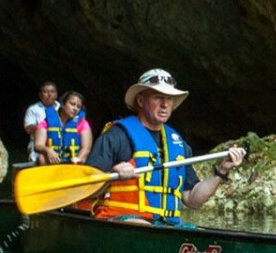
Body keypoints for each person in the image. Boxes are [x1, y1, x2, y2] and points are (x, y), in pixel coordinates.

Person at [83, 68, 246, 223]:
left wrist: (222, 170)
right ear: (140, 100)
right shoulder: (117, 136)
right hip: (121, 219)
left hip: (165, 226)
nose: (165, 104)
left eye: (169, 98)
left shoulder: (179, 144)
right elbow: (86, 188)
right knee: (142, 226)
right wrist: (112, 175)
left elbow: (193, 200)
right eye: (157, 97)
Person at [34, 91, 92, 165]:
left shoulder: (82, 123)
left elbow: (86, 149)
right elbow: (38, 145)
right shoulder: (46, 122)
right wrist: (48, 150)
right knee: (41, 158)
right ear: (63, 104)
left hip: (73, 160)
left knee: (83, 159)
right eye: (72, 104)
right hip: (52, 160)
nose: (75, 109)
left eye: (78, 107)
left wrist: (77, 159)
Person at [23, 81, 59, 163]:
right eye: (46, 92)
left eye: (52, 92)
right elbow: (28, 128)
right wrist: (45, 129)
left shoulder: (62, 109)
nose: (49, 94)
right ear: (40, 95)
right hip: (38, 145)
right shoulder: (33, 109)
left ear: (56, 94)